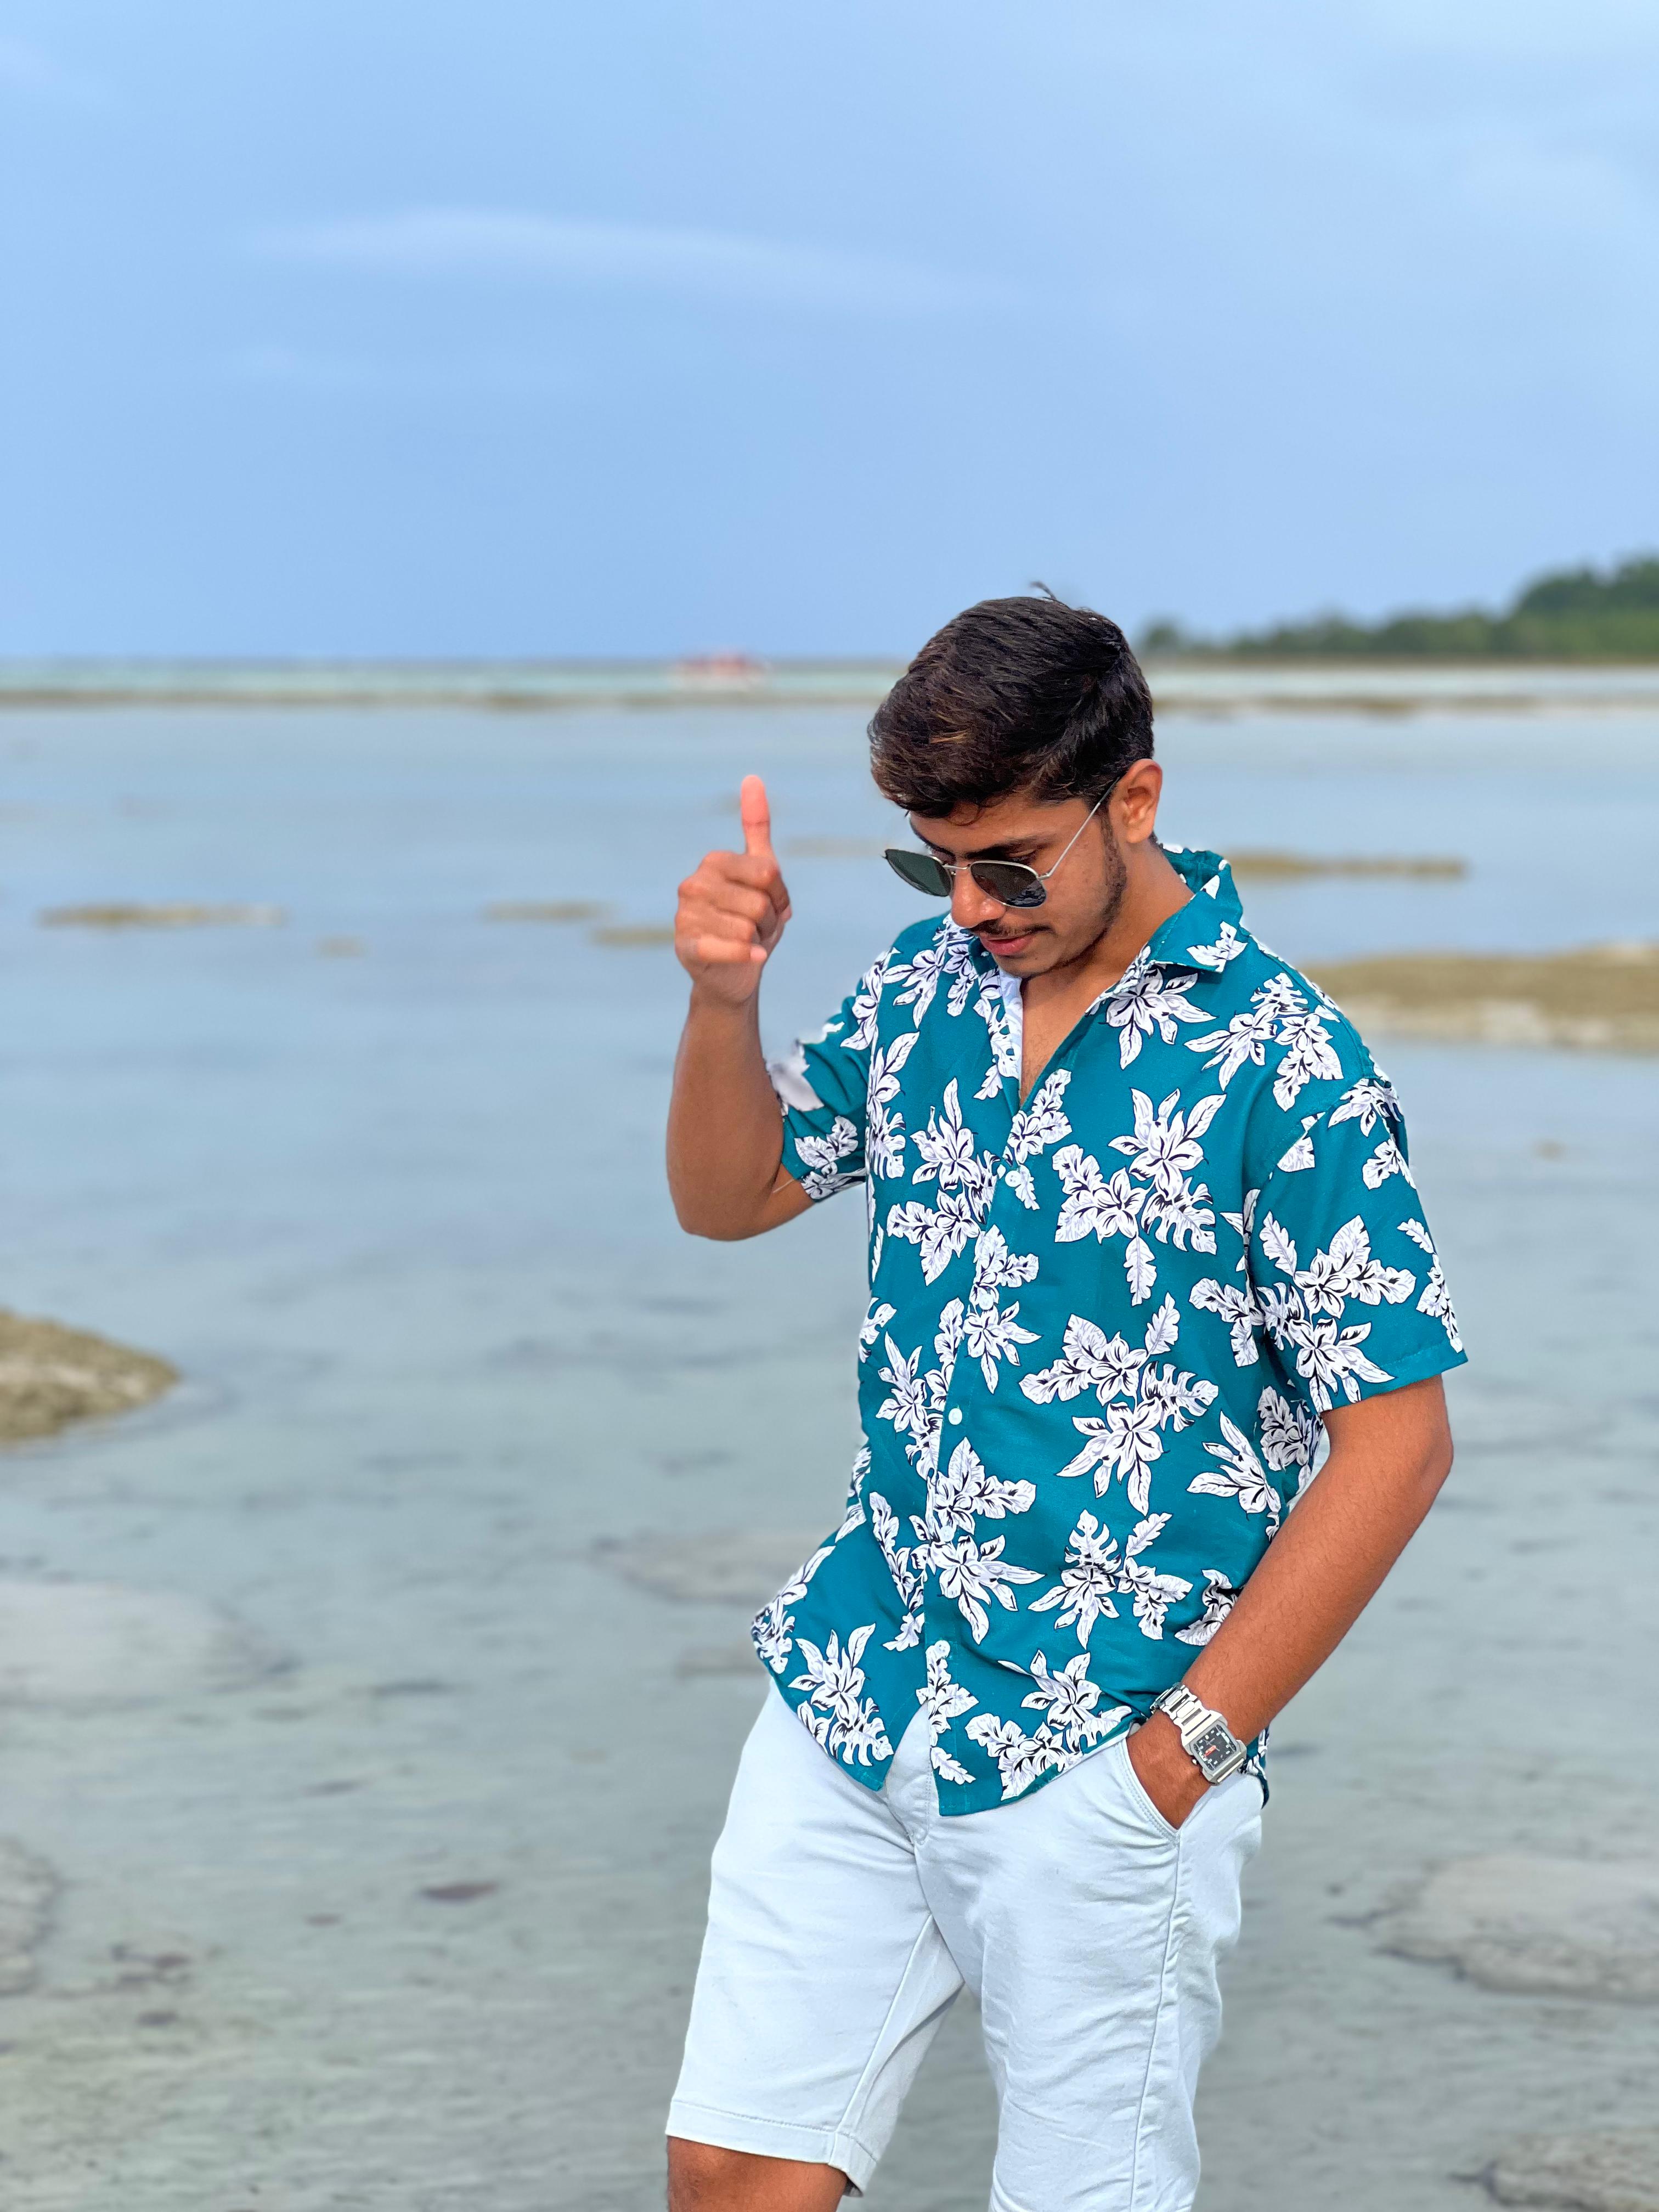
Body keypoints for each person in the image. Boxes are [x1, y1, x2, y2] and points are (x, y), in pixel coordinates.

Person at [663, 594, 1463, 2212]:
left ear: (1135, 799)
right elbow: (731, 1195)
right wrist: (722, 1001)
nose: (973, 908)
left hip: (1105, 1744)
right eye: (936, 867)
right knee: (733, 2175)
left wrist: (1181, 1757)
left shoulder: (1287, 1063)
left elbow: (1399, 1439)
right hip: (856, 1684)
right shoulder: (924, 990)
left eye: (1012, 866)